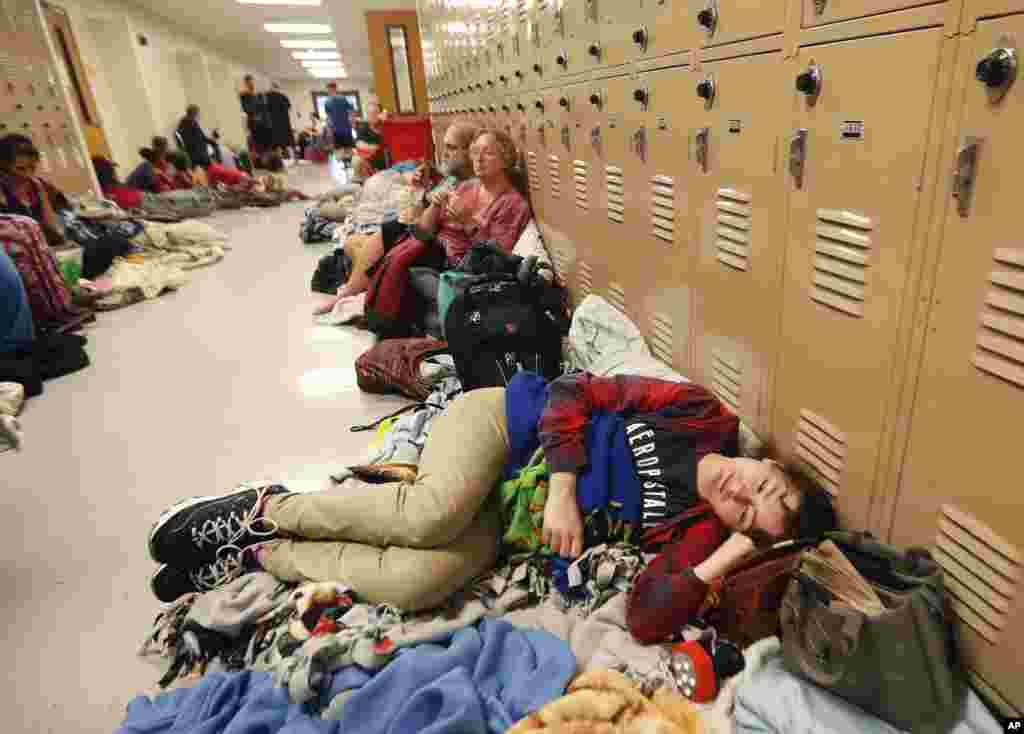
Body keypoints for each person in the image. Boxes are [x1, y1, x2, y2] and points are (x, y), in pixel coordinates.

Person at [146, 372, 838, 612]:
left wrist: (727, 555)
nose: (741, 490)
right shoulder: (701, 416)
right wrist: (565, 486)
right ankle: (265, 505)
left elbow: (649, 617)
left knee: (421, 579)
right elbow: (573, 389)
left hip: (510, 515)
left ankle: (260, 556)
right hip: (506, 428)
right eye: (763, 482)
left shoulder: (697, 532)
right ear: (765, 460)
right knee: (430, 514)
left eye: (748, 514)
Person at [315, 126, 530, 317]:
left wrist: (468, 222)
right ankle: (352, 292)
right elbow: (423, 230)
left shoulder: (513, 204)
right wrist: (435, 205)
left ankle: (354, 293)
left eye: (488, 153)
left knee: (381, 243)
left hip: (459, 262)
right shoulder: (467, 186)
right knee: (388, 232)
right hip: (435, 246)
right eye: (475, 152)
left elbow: (499, 257)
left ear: (506, 159)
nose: (479, 158)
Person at [352, 100, 388, 181]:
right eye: (369, 114)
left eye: (375, 113)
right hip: (368, 163)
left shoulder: (385, 126)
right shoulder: (363, 126)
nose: (372, 116)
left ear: (380, 114)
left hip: (384, 165)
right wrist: (370, 147)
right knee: (356, 160)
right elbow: (358, 143)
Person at [239, 75, 272, 157]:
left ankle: (268, 159)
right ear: (246, 83)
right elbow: (246, 109)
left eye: (252, 81)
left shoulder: (259, 94)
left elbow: (265, 107)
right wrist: (254, 115)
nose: (251, 83)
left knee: (267, 144)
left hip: (264, 123)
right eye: (249, 82)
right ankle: (261, 159)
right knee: (258, 145)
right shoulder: (244, 95)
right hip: (255, 123)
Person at [176, 105, 214, 169]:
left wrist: (211, 141)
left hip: (199, 154)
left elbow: (201, 137)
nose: (198, 116)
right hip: (197, 156)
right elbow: (198, 138)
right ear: (193, 113)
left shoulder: (192, 123)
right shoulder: (187, 124)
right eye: (197, 114)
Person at [323, 82, 354, 153]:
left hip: (345, 128)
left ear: (335, 89)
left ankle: (348, 162)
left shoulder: (342, 98)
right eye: (328, 90)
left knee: (348, 149)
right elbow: (328, 117)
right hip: (336, 129)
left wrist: (352, 121)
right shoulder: (327, 102)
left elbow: (351, 110)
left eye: (330, 89)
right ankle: (346, 162)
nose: (328, 92)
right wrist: (329, 129)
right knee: (340, 151)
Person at [265, 82, 294, 156]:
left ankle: (277, 159)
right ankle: (286, 157)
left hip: (273, 125)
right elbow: (289, 107)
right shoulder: (283, 97)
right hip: (284, 125)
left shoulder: (266, 97)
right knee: (284, 145)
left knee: (275, 146)